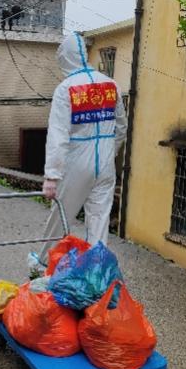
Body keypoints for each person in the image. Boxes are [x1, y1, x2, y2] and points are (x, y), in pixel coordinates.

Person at [34, 32, 127, 270]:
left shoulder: (66, 89)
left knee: (59, 220)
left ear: (65, 58)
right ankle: (95, 282)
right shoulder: (111, 85)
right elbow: (121, 127)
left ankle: (40, 270)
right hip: (105, 164)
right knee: (98, 225)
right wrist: (109, 152)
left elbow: (58, 136)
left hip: (76, 162)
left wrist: (51, 175)